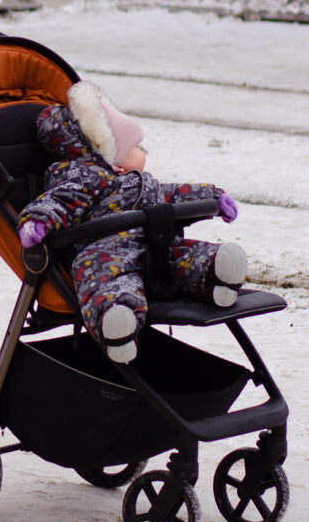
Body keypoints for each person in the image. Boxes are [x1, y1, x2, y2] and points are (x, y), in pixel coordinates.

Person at [16, 81, 243, 364]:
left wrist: (212, 196)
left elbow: (171, 194)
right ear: (113, 159)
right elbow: (58, 200)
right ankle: (116, 324)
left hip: (154, 248)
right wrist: (36, 221)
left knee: (181, 255)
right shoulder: (82, 179)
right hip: (103, 253)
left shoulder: (138, 182)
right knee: (107, 283)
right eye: (137, 146)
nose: (143, 152)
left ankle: (214, 274)